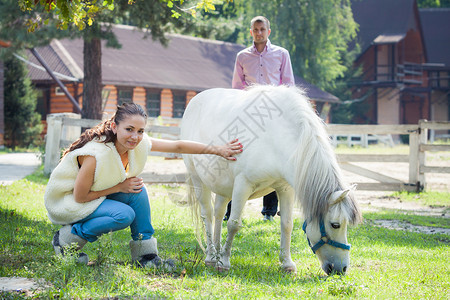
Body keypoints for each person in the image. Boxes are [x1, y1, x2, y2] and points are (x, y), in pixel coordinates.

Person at [45, 103, 243, 268]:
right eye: (129, 129)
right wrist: (119, 187)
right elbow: (80, 197)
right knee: (124, 215)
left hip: (96, 195)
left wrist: (219, 150)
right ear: (114, 127)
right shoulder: (96, 155)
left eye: (140, 131)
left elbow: (178, 146)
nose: (135, 136)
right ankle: (65, 242)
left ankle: (145, 256)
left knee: (137, 191)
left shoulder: (137, 143)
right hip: (69, 201)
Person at [227, 15, 295, 222]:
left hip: (274, 114)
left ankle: (269, 212)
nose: (259, 33)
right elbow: (237, 87)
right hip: (248, 113)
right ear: (251, 32)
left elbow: (288, 84)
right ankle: (230, 211)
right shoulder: (242, 56)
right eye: (255, 30)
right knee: (238, 156)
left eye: (262, 29)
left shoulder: (281, 54)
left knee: (273, 158)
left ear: (268, 31)